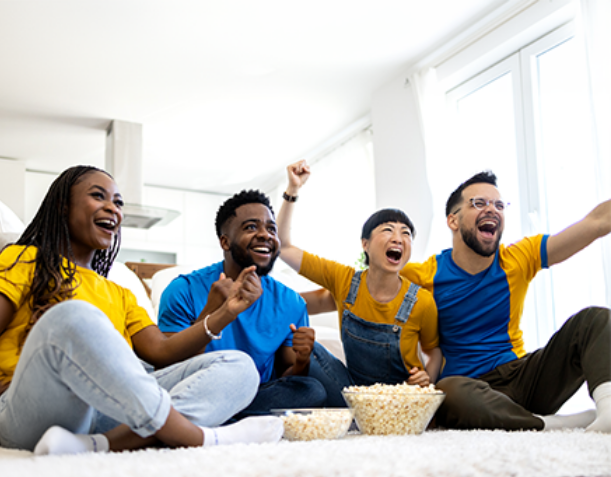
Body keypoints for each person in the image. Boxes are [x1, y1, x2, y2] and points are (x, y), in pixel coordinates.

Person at [0, 165, 284, 455]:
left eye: (118, 202)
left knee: (239, 366)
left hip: (110, 414)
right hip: (39, 411)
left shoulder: (119, 292)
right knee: (75, 316)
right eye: (98, 196)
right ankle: (194, 437)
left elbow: (164, 353)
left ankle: (100, 447)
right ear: (63, 206)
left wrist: (224, 314)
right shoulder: (24, 259)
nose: (113, 208)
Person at [400, 170, 611, 433]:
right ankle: (549, 425)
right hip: (469, 390)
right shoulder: (422, 276)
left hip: (523, 378)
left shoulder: (518, 258)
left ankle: (608, 410)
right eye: (479, 203)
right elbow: (360, 289)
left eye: (499, 205)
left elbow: (597, 222)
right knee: (446, 391)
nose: (492, 210)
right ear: (452, 220)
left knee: (594, 319)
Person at [277, 161, 442, 407]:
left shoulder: (421, 301)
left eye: (406, 233)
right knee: (310, 348)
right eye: (388, 230)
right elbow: (284, 247)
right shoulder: (343, 280)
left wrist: (427, 381)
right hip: (352, 395)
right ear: (365, 244)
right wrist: (293, 190)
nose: (398, 237)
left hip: (401, 400)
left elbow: (433, 351)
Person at [157, 189, 327, 415]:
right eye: (251, 227)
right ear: (225, 242)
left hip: (257, 394)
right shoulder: (183, 290)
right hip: (198, 389)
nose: (265, 235)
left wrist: (303, 360)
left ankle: (211, 418)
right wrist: (213, 310)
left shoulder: (292, 302)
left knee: (312, 390)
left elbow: (289, 376)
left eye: (271, 228)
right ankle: (211, 419)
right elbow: (168, 370)